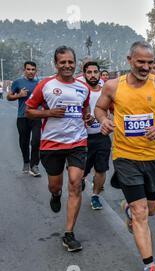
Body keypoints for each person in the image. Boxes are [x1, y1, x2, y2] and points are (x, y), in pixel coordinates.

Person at [95, 41, 155, 271]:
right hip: (125, 157)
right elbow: (99, 108)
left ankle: (130, 211)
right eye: (140, 62)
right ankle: (149, 268)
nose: (145, 67)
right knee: (141, 212)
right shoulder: (113, 86)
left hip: (153, 157)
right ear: (129, 59)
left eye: (149, 63)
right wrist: (104, 120)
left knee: (151, 210)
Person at [25, 46, 91, 253]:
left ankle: (69, 234)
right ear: (56, 64)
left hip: (78, 142)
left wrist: (86, 117)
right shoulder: (46, 85)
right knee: (55, 185)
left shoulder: (83, 87)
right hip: (52, 144)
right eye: (62, 62)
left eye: (70, 62)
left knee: (75, 183)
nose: (67, 65)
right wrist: (49, 113)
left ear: (75, 63)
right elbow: (29, 111)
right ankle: (55, 195)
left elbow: (85, 108)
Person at [81, 61, 112, 210]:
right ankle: (80, 179)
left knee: (101, 169)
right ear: (84, 74)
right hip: (82, 138)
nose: (92, 75)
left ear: (99, 74)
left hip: (101, 136)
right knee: (81, 171)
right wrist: (84, 118)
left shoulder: (105, 91)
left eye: (95, 72)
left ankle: (95, 196)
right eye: (89, 72)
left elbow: (114, 110)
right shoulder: (79, 90)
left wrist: (109, 121)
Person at [7, 61, 42, 176]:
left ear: (36, 71)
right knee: (24, 142)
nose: (31, 71)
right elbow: (8, 97)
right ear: (24, 70)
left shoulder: (39, 84)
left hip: (36, 116)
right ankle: (26, 162)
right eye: (28, 69)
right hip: (22, 117)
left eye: (33, 69)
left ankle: (34, 165)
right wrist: (18, 95)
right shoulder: (18, 82)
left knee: (36, 141)